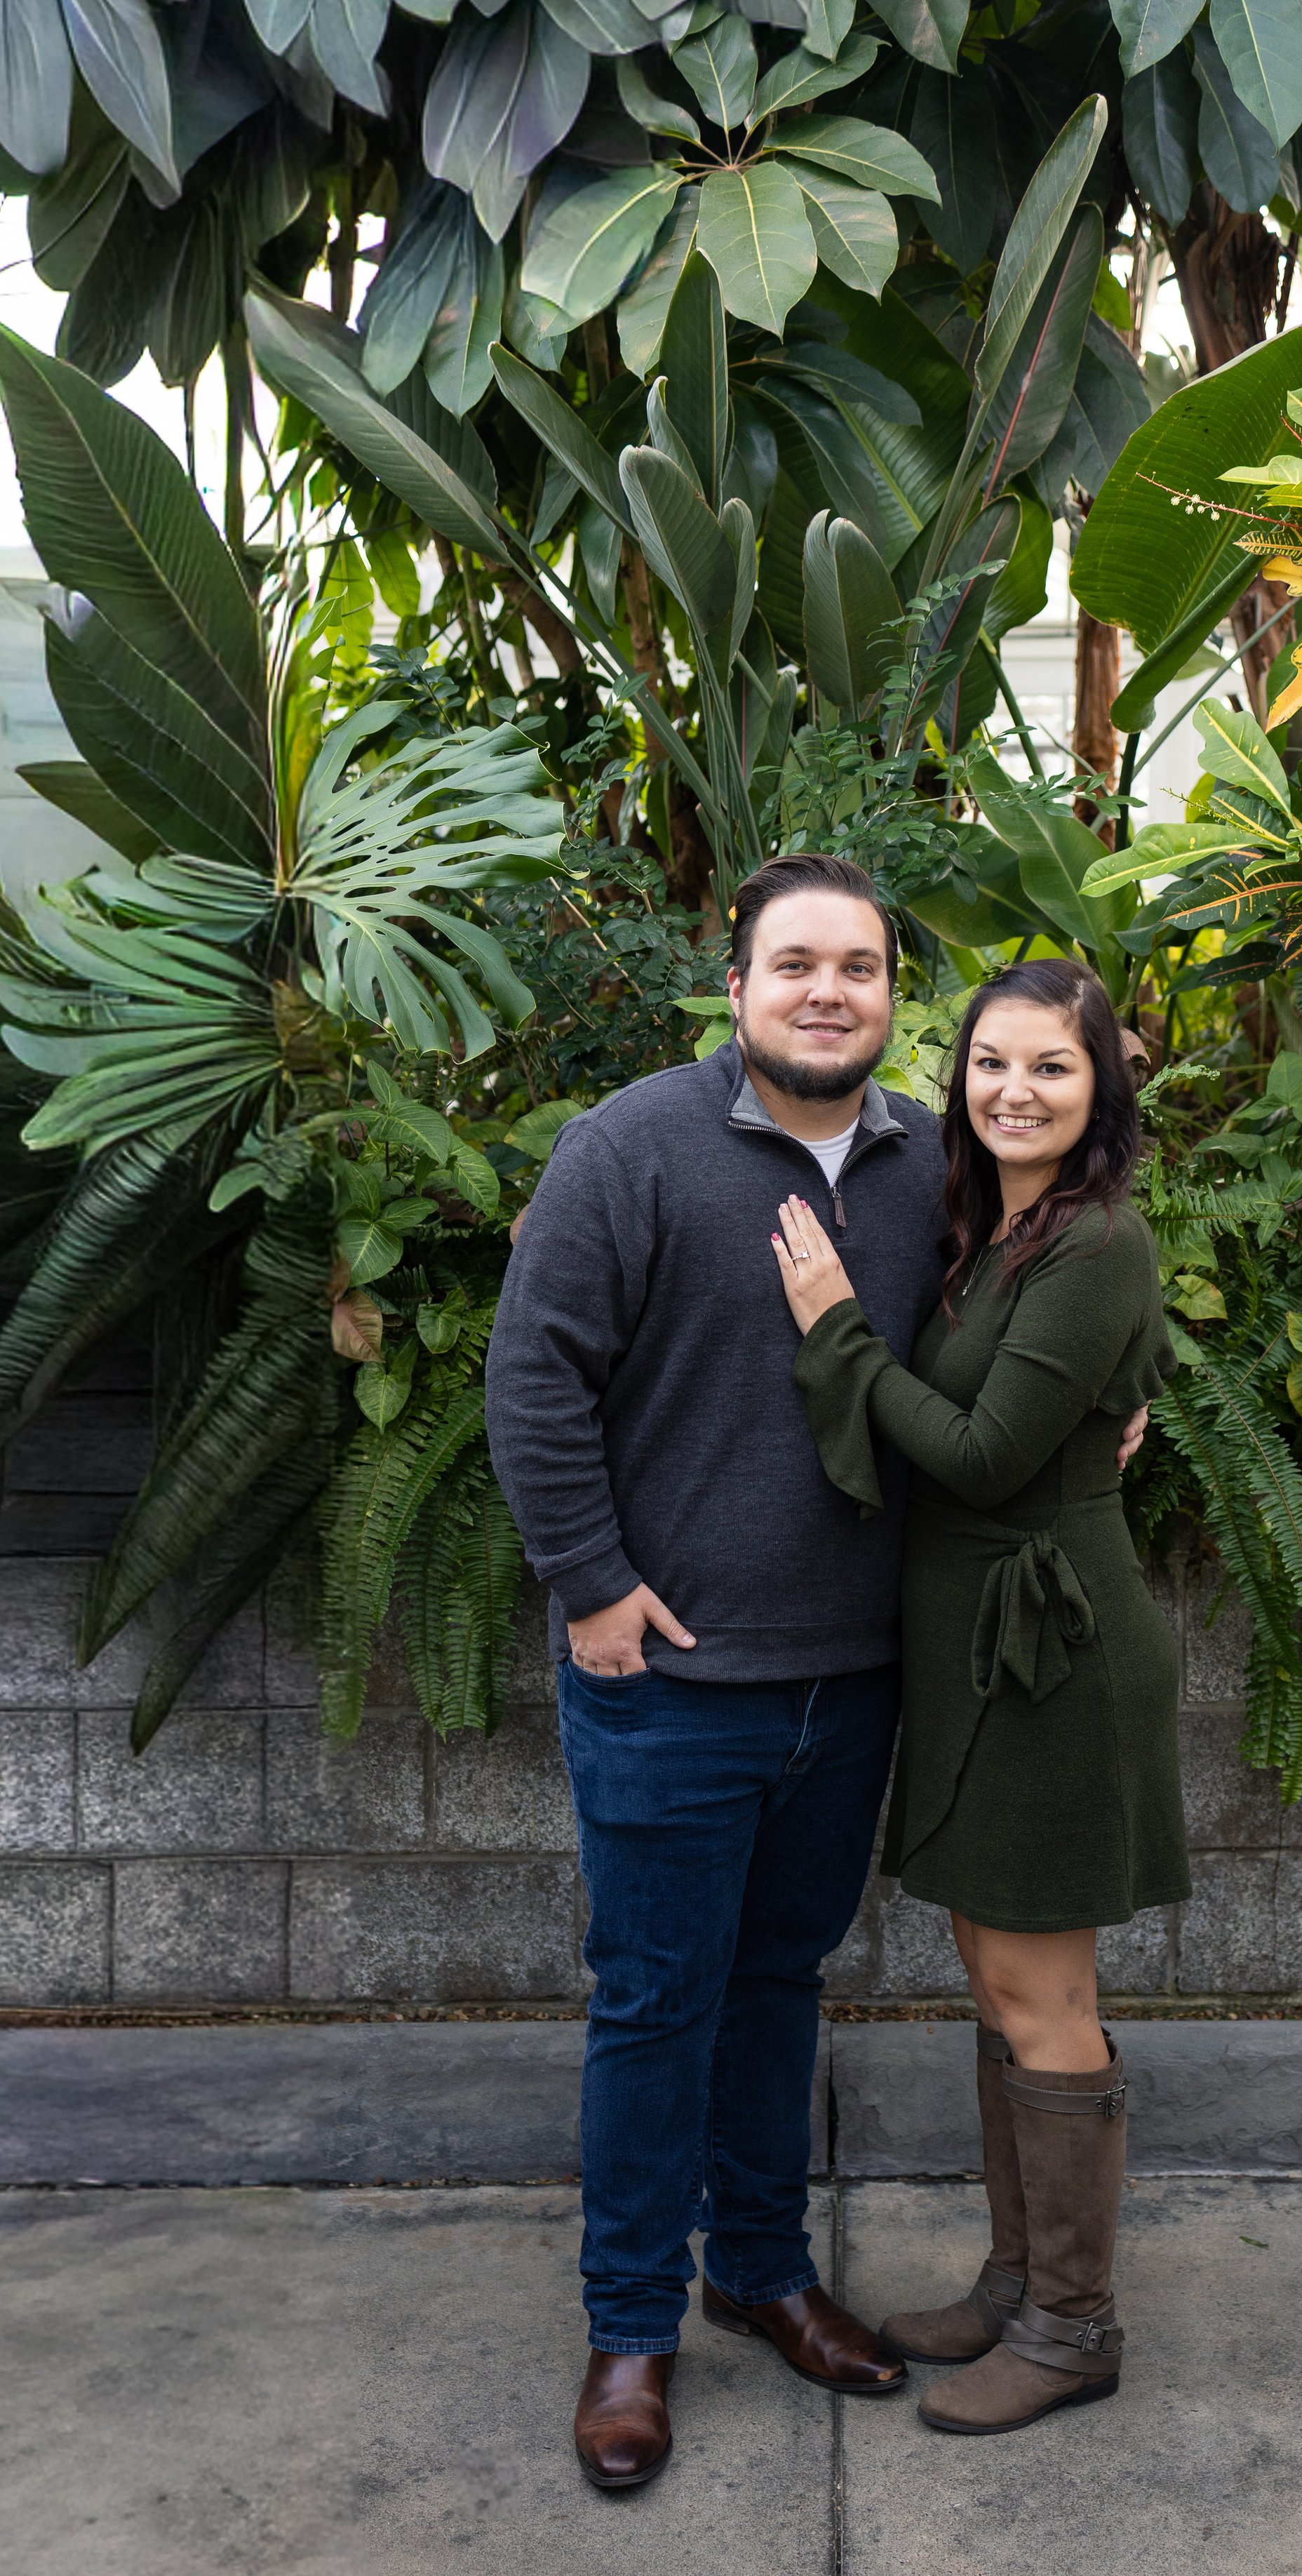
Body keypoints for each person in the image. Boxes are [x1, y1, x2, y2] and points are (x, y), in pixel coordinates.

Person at [485, 854, 946, 2490]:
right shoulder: (629, 1148)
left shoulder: (927, 1165)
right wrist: (592, 1588)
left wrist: (1118, 1393)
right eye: (795, 963)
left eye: (862, 967)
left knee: (779, 1990)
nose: (830, 991)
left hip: (854, 1675)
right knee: (657, 2002)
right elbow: (530, 1381)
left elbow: (1030, 1321)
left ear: (894, 994)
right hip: (670, 1686)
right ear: (734, 985)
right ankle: (628, 2331)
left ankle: (758, 2270)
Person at [770, 956, 1190, 2438]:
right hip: (976, 1649)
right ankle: (1018, 2288)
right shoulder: (997, 1226)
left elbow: (975, 1454)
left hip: (1049, 1659)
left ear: (1099, 1093)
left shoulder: (1094, 1245)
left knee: (1042, 1990)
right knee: (994, 1979)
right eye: (991, 1064)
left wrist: (834, 1326)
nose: (1014, 1090)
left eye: (1051, 1070)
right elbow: (1034, 1411)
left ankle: (1073, 2327)